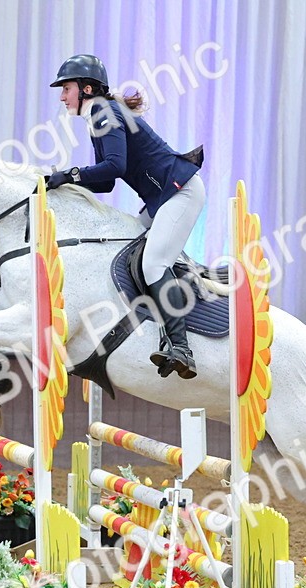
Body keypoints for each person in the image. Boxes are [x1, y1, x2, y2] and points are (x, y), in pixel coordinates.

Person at [45, 54, 206, 380]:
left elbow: (114, 168)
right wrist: (66, 182)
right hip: (163, 197)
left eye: (66, 88)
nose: (62, 96)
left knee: (152, 264)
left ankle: (181, 346)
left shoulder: (104, 112)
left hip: (180, 192)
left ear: (86, 88)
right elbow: (105, 180)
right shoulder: (98, 115)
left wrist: (69, 174)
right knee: (131, 241)